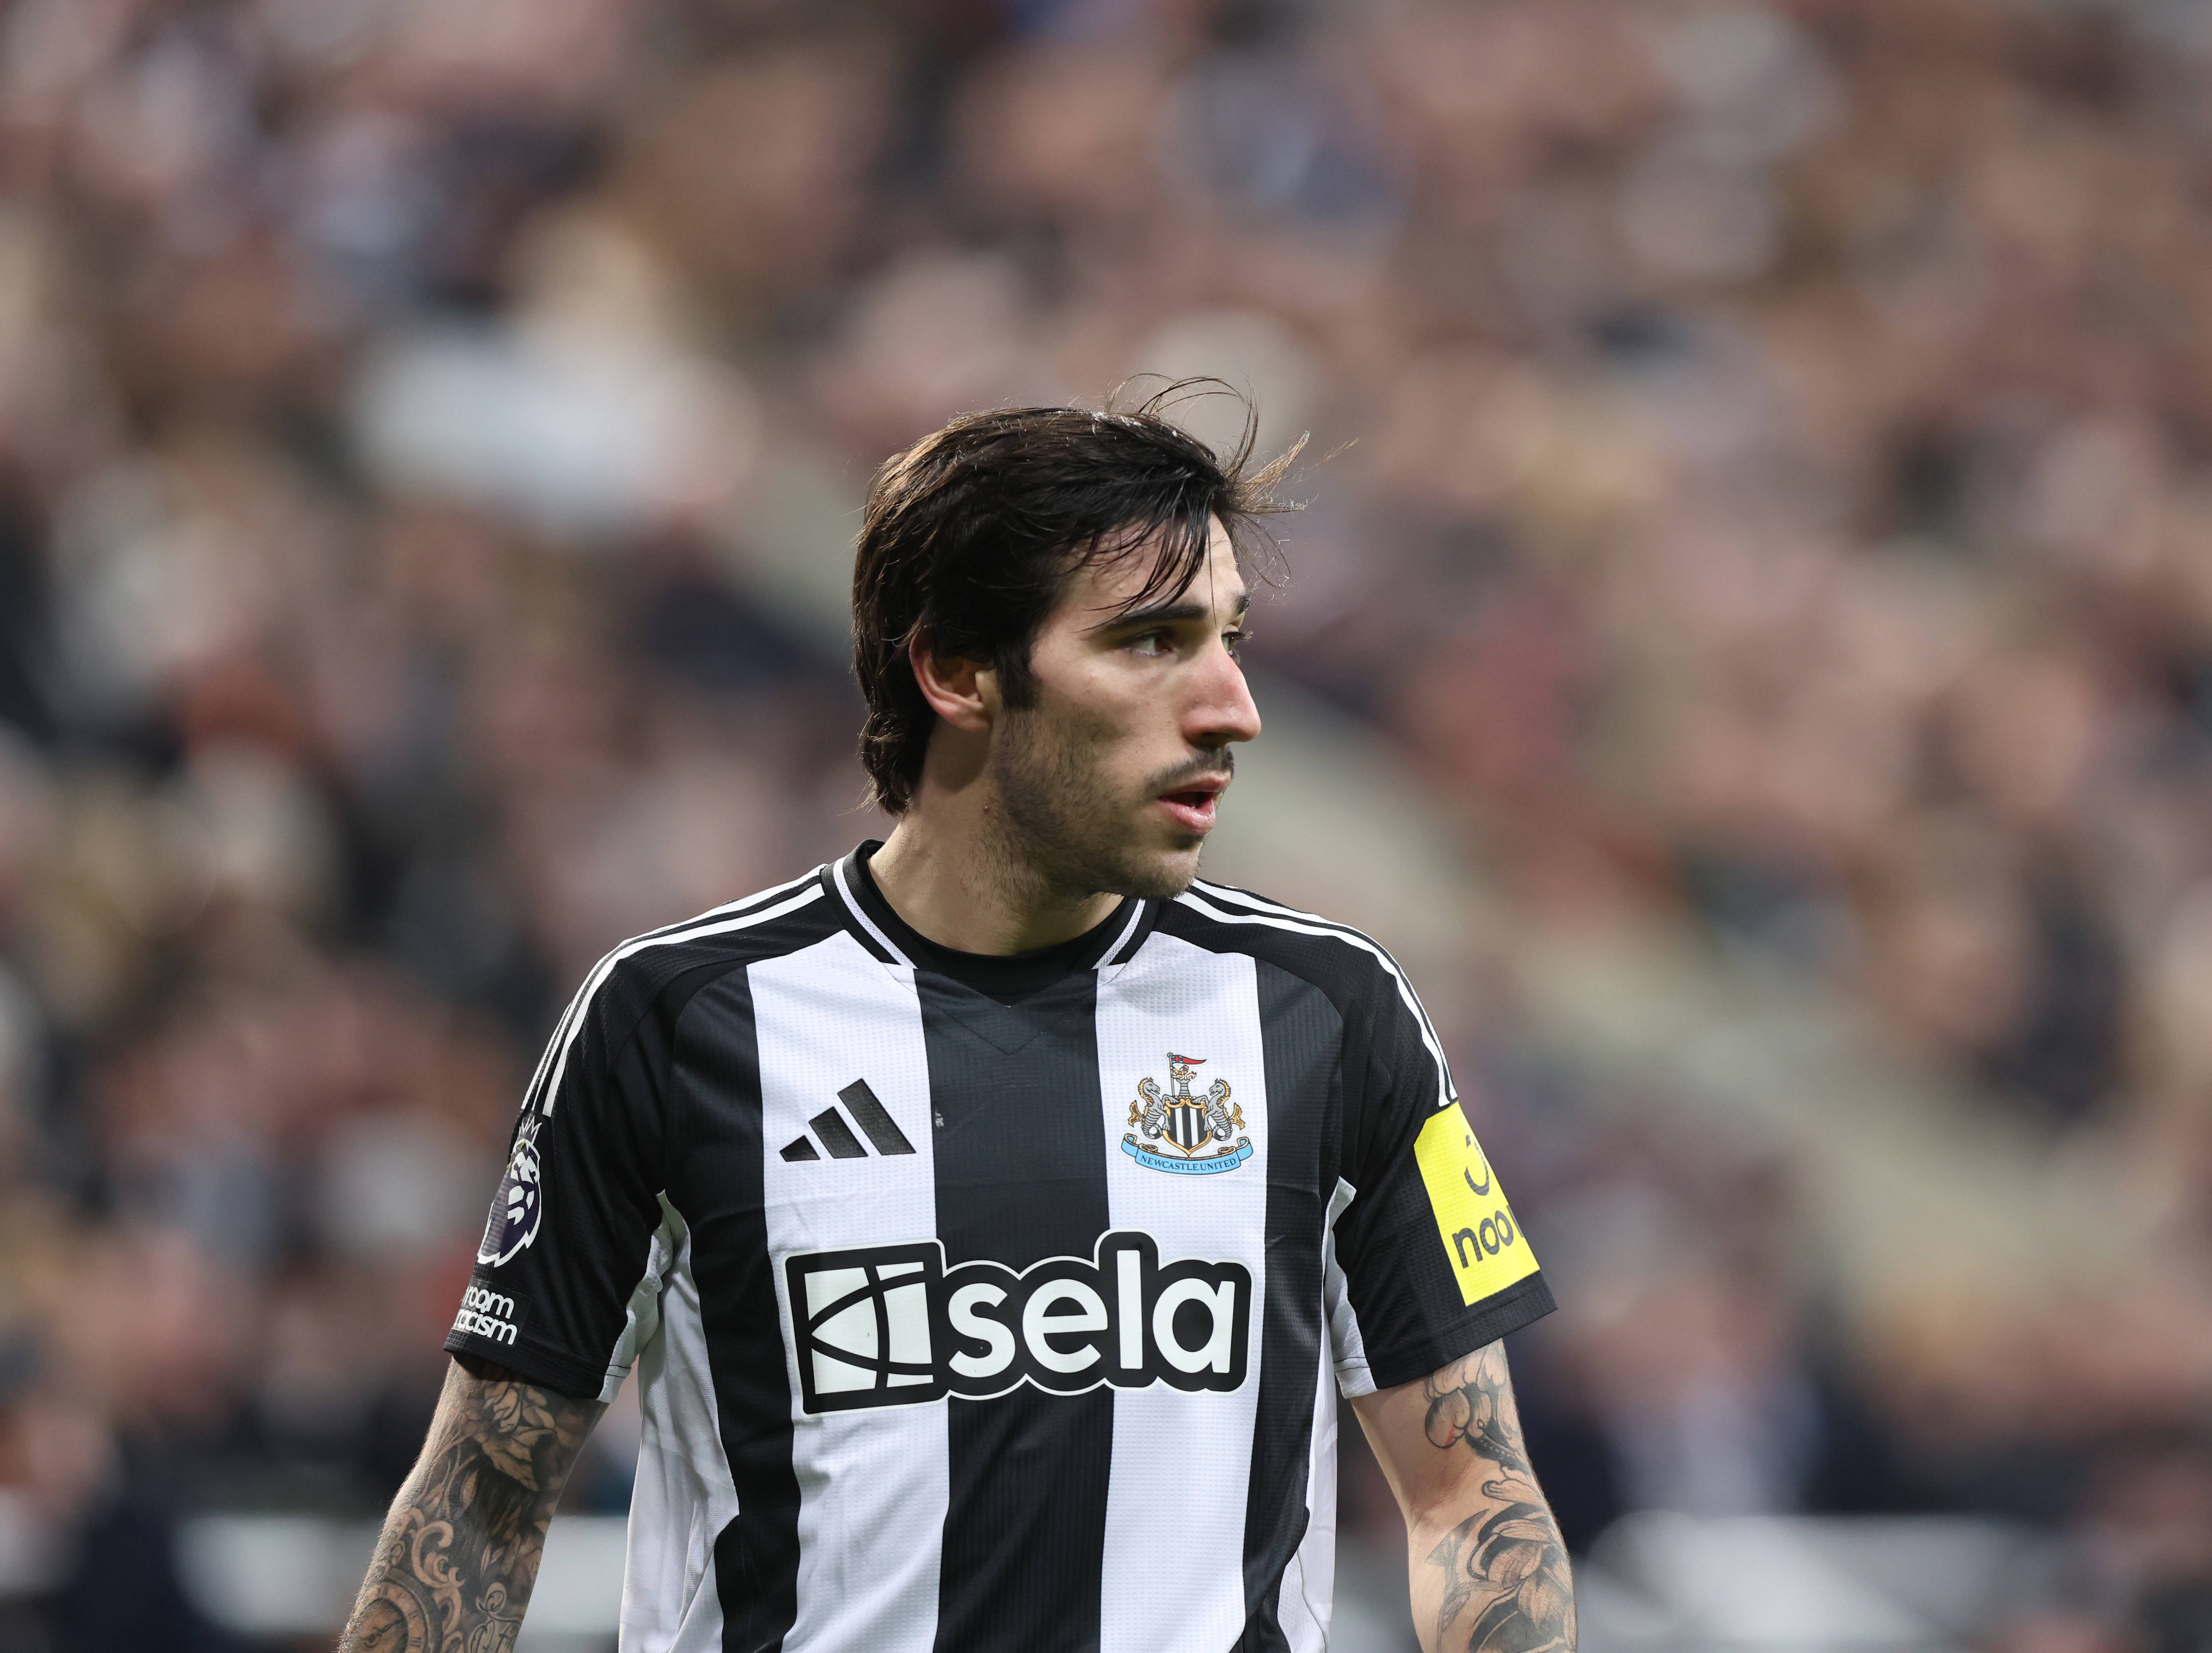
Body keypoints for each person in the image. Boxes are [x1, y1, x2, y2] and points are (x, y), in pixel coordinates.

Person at [337, 388, 1574, 1653]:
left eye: (1229, 640)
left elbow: (1473, 1501)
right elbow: (481, 1506)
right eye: (1150, 642)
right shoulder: (675, 1020)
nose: (1230, 707)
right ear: (957, 672)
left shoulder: (1331, 1014)